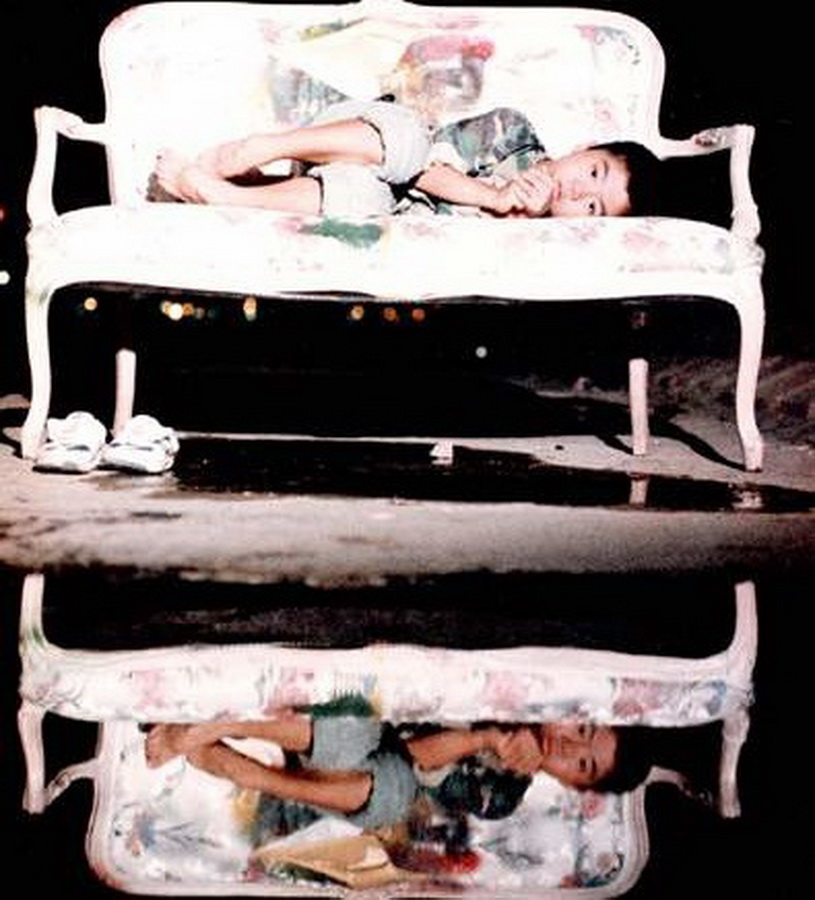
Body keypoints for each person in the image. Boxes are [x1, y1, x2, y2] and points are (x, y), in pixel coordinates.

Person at [143, 704, 637, 832]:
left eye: (583, 764)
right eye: (584, 728)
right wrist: (506, 723)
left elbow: (416, 757)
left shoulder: (501, 797)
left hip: (359, 774)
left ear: (574, 783)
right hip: (359, 718)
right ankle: (218, 726)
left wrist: (486, 740)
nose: (568, 744)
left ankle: (253, 775)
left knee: (392, 799)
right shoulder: (528, 690)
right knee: (356, 729)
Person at [153, 101, 659, 220]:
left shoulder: (541, 244)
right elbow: (422, 170)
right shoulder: (513, 132)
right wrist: (496, 196)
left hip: (344, 190)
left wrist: (513, 219)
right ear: (583, 149)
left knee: (369, 204)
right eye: (594, 172)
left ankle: (224, 194)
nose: (580, 192)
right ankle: (266, 146)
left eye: (593, 208)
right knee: (408, 142)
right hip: (354, 139)